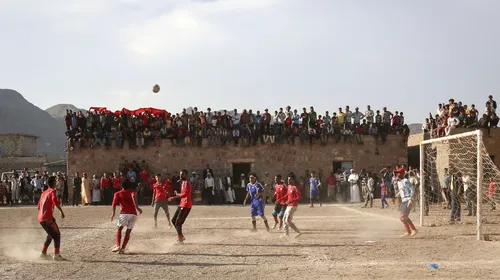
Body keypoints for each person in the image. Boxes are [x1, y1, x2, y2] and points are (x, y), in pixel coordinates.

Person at [111, 179, 143, 254]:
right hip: (133, 214)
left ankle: (118, 245)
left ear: (121, 185)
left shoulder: (117, 193)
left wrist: (113, 213)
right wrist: (137, 208)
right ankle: (123, 248)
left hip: (124, 213)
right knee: (128, 232)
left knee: (119, 229)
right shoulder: (132, 192)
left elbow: (114, 204)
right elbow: (134, 197)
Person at [38, 176, 66, 261]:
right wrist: (61, 211)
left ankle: (43, 253)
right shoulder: (52, 191)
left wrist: (50, 215)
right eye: (56, 181)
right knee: (57, 234)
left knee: (50, 235)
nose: (56, 183)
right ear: (54, 183)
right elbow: (55, 200)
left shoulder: (44, 193)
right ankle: (56, 255)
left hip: (41, 218)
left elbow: (39, 206)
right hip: (47, 219)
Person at [168, 170, 193, 244]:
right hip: (182, 204)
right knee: (173, 220)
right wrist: (178, 193)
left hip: (186, 205)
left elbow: (185, 195)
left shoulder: (186, 183)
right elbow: (183, 194)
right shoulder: (183, 183)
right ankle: (181, 236)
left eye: (182, 175)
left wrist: (174, 197)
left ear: (186, 175)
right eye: (180, 174)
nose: (180, 176)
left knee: (178, 223)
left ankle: (180, 239)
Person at [395, 168, 417, 237]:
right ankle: (408, 231)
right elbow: (402, 191)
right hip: (404, 201)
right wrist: (396, 196)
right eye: (397, 173)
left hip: (408, 200)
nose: (397, 174)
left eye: (399, 173)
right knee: (403, 218)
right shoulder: (399, 182)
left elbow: (412, 189)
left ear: (402, 174)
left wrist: (411, 199)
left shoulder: (405, 181)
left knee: (403, 217)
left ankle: (414, 230)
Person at [279, 173, 302, 238]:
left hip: (293, 206)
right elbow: (287, 195)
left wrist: (290, 201)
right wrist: (280, 199)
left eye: (290, 179)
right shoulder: (289, 186)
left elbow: (299, 197)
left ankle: (298, 232)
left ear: (293, 180)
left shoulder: (295, 187)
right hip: (289, 205)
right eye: (288, 179)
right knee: (284, 219)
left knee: (288, 220)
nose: (288, 181)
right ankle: (286, 234)